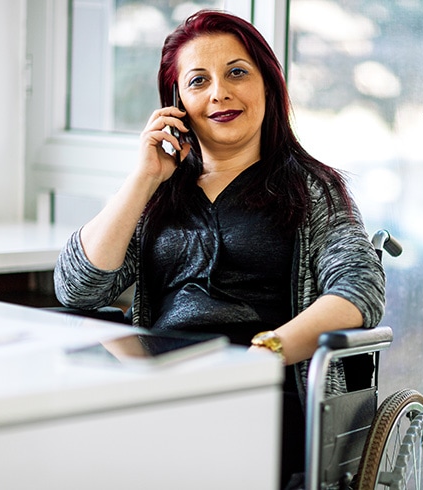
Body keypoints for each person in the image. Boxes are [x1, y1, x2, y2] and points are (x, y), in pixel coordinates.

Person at [54, 9, 385, 488]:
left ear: (268, 84)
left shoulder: (310, 188)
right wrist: (144, 176)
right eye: (198, 81)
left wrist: (268, 350)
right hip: (161, 384)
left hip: (263, 387)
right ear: (176, 104)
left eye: (236, 73)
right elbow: (77, 290)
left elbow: (359, 290)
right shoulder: (159, 192)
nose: (219, 93)